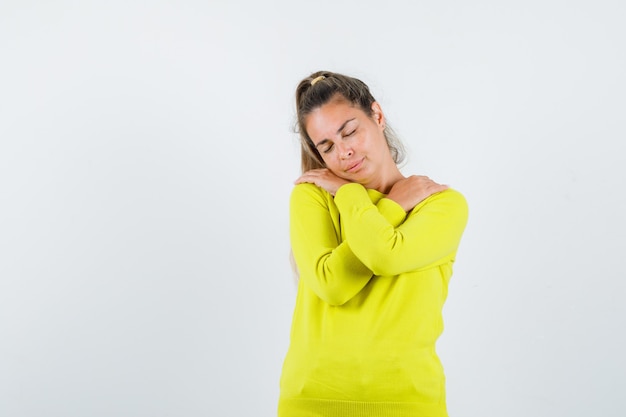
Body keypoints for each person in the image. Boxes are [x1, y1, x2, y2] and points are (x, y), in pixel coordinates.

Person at [278, 70, 469, 417]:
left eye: (349, 131)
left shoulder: (441, 204)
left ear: (377, 116)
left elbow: (384, 255)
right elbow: (332, 285)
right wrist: (387, 202)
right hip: (311, 401)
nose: (344, 152)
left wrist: (356, 197)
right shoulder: (313, 196)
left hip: (408, 404)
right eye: (327, 147)